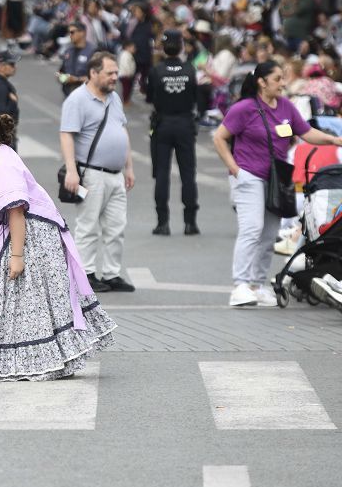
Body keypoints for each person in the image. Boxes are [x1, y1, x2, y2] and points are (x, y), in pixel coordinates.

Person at [0, 110, 117, 381]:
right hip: (21, 232)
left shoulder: (1, 165)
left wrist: (17, 255)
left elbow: (16, 212)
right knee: (24, 301)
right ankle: (41, 359)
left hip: (26, 235)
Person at [212, 61, 342, 308]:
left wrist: (334, 140)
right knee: (252, 228)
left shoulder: (286, 106)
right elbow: (220, 137)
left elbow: (306, 132)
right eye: (278, 79)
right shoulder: (245, 108)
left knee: (269, 233)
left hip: (276, 179)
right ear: (262, 82)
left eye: (283, 78)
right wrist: (234, 168)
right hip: (248, 176)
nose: (283, 83)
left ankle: (257, 285)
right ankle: (240, 284)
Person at [59, 52, 136, 294]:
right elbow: (67, 135)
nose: (115, 77)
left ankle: (112, 274)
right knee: (88, 225)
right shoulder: (77, 99)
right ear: (93, 73)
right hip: (91, 173)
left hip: (115, 174)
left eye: (116, 73)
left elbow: (121, 131)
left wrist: (129, 167)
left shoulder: (114, 98)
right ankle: (86, 274)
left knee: (116, 227)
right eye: (110, 73)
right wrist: (72, 170)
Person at [146, 29, 201, 236]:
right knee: (188, 174)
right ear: (181, 46)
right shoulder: (190, 69)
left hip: (163, 123)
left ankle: (162, 222)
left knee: (162, 173)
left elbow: (150, 97)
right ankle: (190, 222)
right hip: (185, 123)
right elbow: (196, 96)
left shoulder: (157, 70)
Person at [58, 22, 95, 98]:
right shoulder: (68, 51)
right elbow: (62, 71)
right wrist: (60, 77)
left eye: (72, 32)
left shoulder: (93, 51)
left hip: (87, 96)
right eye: (69, 33)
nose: (70, 35)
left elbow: (98, 77)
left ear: (82, 33)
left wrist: (77, 79)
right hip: (68, 94)